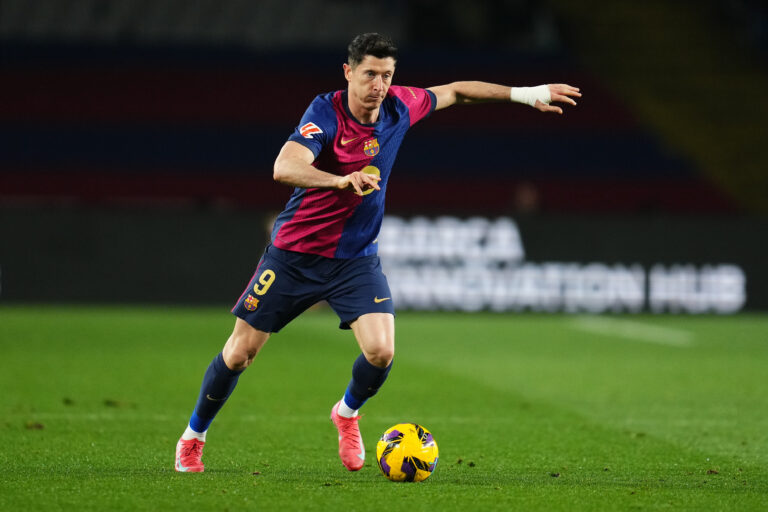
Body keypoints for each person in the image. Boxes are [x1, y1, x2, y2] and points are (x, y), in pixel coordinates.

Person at [174, 32, 580, 473]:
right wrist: (338, 180)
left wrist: (526, 94)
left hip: (354, 260)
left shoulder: (399, 108)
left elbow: (456, 92)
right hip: (293, 256)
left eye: (387, 75)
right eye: (370, 74)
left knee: (381, 352)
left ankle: (346, 414)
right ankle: (194, 435)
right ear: (348, 72)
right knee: (239, 355)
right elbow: (283, 167)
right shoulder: (324, 113)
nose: (379, 85)